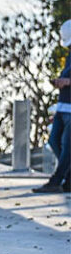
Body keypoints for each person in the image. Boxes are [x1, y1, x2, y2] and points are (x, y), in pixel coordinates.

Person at [33, 19, 71, 193]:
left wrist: (67, 81)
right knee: (54, 141)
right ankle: (69, 179)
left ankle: (56, 181)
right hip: (63, 106)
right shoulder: (70, 55)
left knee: (67, 146)